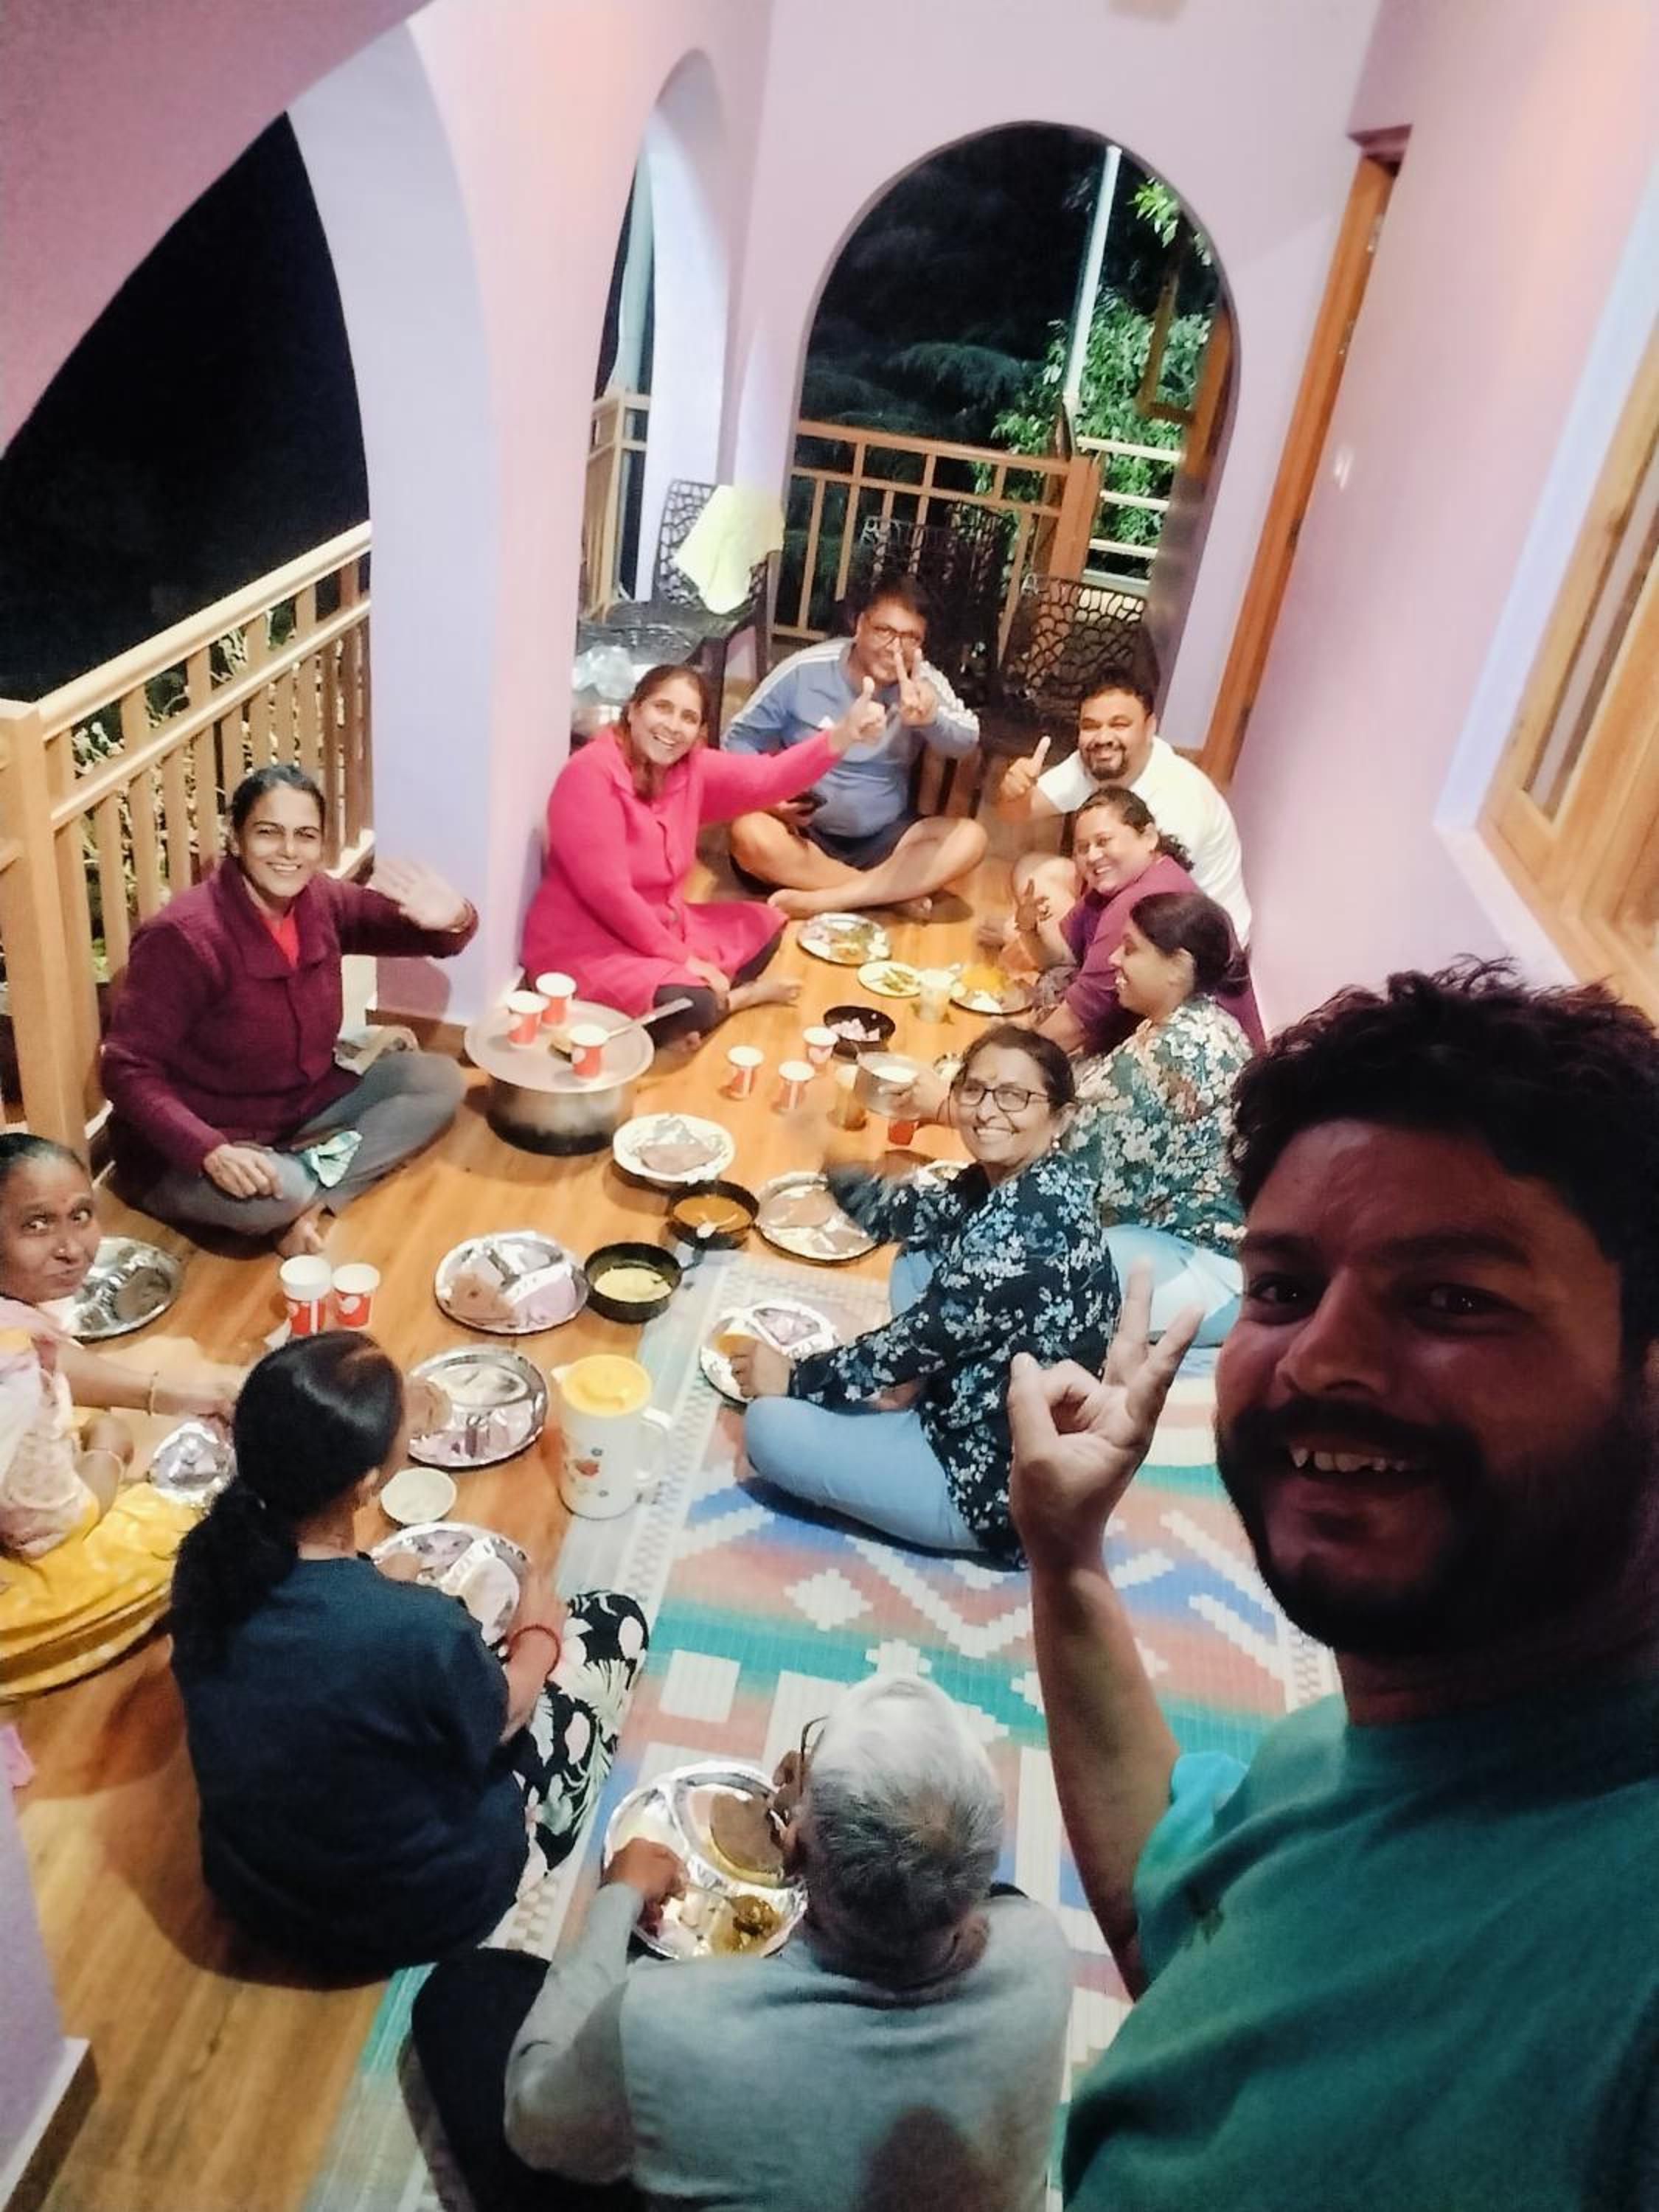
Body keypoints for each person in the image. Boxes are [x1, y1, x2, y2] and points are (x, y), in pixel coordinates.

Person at [1009, 963, 1659, 2212]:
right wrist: (1065, 1551)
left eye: (1452, 1299)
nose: (1319, 1360)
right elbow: (1177, 1930)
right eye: (1284, 1287)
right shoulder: (1352, 1740)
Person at [411, 1672, 1073, 2212]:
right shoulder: (1039, 1951)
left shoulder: (662, 2021)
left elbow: (536, 2126)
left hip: (649, 2063)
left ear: (794, 1846)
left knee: (468, 1994)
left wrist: (617, 1899)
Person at [170, 1332, 647, 1974]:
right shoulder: (416, 1629)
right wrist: (538, 1638)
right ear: (367, 1483)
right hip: (406, 1912)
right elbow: (502, 1716)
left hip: (254, 1896)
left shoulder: (204, 1561)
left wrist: (371, 1583)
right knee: (613, 1622)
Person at [737, 1026, 1117, 1562]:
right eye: (975, 1090)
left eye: (1014, 1096)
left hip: (990, 1485)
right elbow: (905, 1216)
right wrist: (829, 1152)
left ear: (1059, 1117)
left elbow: (914, 1342)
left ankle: (931, 1470)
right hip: (972, 1394)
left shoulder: (1026, 1231)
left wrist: (795, 1378)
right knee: (920, 1252)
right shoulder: (1028, 1178)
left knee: (767, 1428)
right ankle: (908, 1398)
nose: (987, 1110)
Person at [102, 763, 476, 1257]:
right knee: (278, 1196)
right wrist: (209, 1151)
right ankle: (295, 1193)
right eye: (268, 833)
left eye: (305, 836)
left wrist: (455, 917)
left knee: (438, 1081)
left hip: (297, 1108)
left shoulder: (320, 898)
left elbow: (429, 935)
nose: (288, 851)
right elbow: (126, 1070)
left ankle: (311, 1202)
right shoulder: (183, 937)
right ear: (235, 839)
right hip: (197, 1140)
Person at [905, 892, 1251, 1349]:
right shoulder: (1202, 1020)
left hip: (1201, 1267)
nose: (1114, 959)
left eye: (1130, 949)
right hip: (1198, 1249)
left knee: (990, 1265)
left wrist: (956, 1115)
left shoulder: (1170, 1055)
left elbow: (1078, 1185)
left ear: (1178, 966)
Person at [521, 663, 883, 1045]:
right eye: (662, 708)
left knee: (767, 924)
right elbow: (610, 897)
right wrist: (684, 960)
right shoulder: (589, 774)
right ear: (633, 710)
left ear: (699, 731)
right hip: (588, 946)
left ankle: (700, 1005)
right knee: (691, 1003)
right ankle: (729, 1002)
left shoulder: (688, 768)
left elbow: (769, 777)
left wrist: (844, 734)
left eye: (688, 718)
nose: (673, 726)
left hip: (663, 929)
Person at [0, 1134, 240, 1697]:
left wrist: (174, 1395)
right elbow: (46, 1527)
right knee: (189, 1537)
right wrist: (109, 1449)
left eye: (81, 1215)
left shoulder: (17, 1337)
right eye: (37, 1225)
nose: (71, 1248)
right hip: (31, 1538)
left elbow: (53, 1362)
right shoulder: (12, 1374)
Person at [724, 573, 988, 920]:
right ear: (860, 625)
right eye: (884, 631)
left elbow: (967, 740)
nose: (895, 648)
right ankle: (887, 895)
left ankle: (826, 899)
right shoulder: (804, 670)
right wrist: (772, 798)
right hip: (802, 833)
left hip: (884, 839)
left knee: (971, 838)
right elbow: (738, 738)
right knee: (749, 834)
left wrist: (930, 719)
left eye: (911, 638)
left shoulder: (923, 680)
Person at [993, 669, 1251, 943]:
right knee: (1033, 871)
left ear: (1150, 728)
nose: (1103, 738)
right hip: (1140, 901)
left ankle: (1060, 953)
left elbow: (1153, 904)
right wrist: (1013, 790)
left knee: (1025, 933)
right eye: (1091, 726)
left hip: (1195, 941)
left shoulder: (1179, 796)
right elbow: (1016, 812)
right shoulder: (1092, 763)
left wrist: (1034, 936)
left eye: (1119, 724)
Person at [1025, 786, 1260, 1060]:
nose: (1092, 856)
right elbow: (1064, 958)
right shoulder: (1116, 882)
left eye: (1104, 841)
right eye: (1082, 848)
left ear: (1149, 837)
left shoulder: (1138, 903)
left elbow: (1076, 1023)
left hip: (1194, 1057)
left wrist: (1012, 1060)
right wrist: (1028, 927)